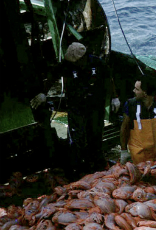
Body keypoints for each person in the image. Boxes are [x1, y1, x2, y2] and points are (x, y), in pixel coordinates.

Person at [31, 42, 120, 178]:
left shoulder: (97, 63)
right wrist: (44, 92)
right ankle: (78, 167)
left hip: (95, 106)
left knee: (95, 134)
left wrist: (115, 97)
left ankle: (98, 163)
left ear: (83, 57)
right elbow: (53, 75)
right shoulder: (67, 65)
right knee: (77, 138)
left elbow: (109, 78)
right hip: (76, 107)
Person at [120, 76, 156, 164]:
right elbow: (124, 128)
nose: (133, 91)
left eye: (137, 89)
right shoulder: (130, 105)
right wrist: (123, 150)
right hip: (139, 155)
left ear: (145, 93)